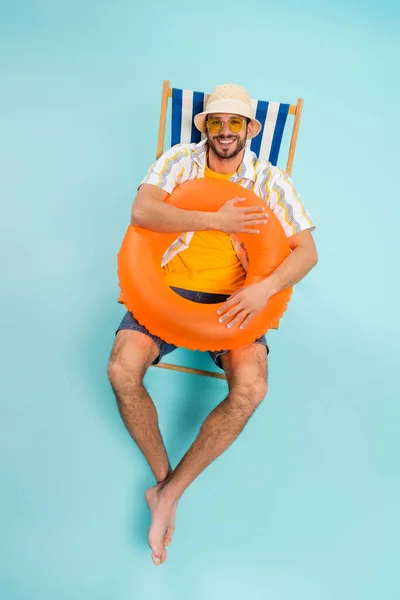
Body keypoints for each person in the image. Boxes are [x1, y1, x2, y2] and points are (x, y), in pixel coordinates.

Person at [108, 83, 318, 566]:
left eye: (235, 123)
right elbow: (142, 211)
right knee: (122, 370)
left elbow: (306, 252)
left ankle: (169, 493)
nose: (225, 131)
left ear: (248, 129)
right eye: (216, 122)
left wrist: (264, 289)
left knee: (251, 389)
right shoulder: (179, 160)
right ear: (206, 127)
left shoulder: (270, 179)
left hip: (235, 302)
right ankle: (165, 483)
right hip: (166, 293)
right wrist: (215, 221)